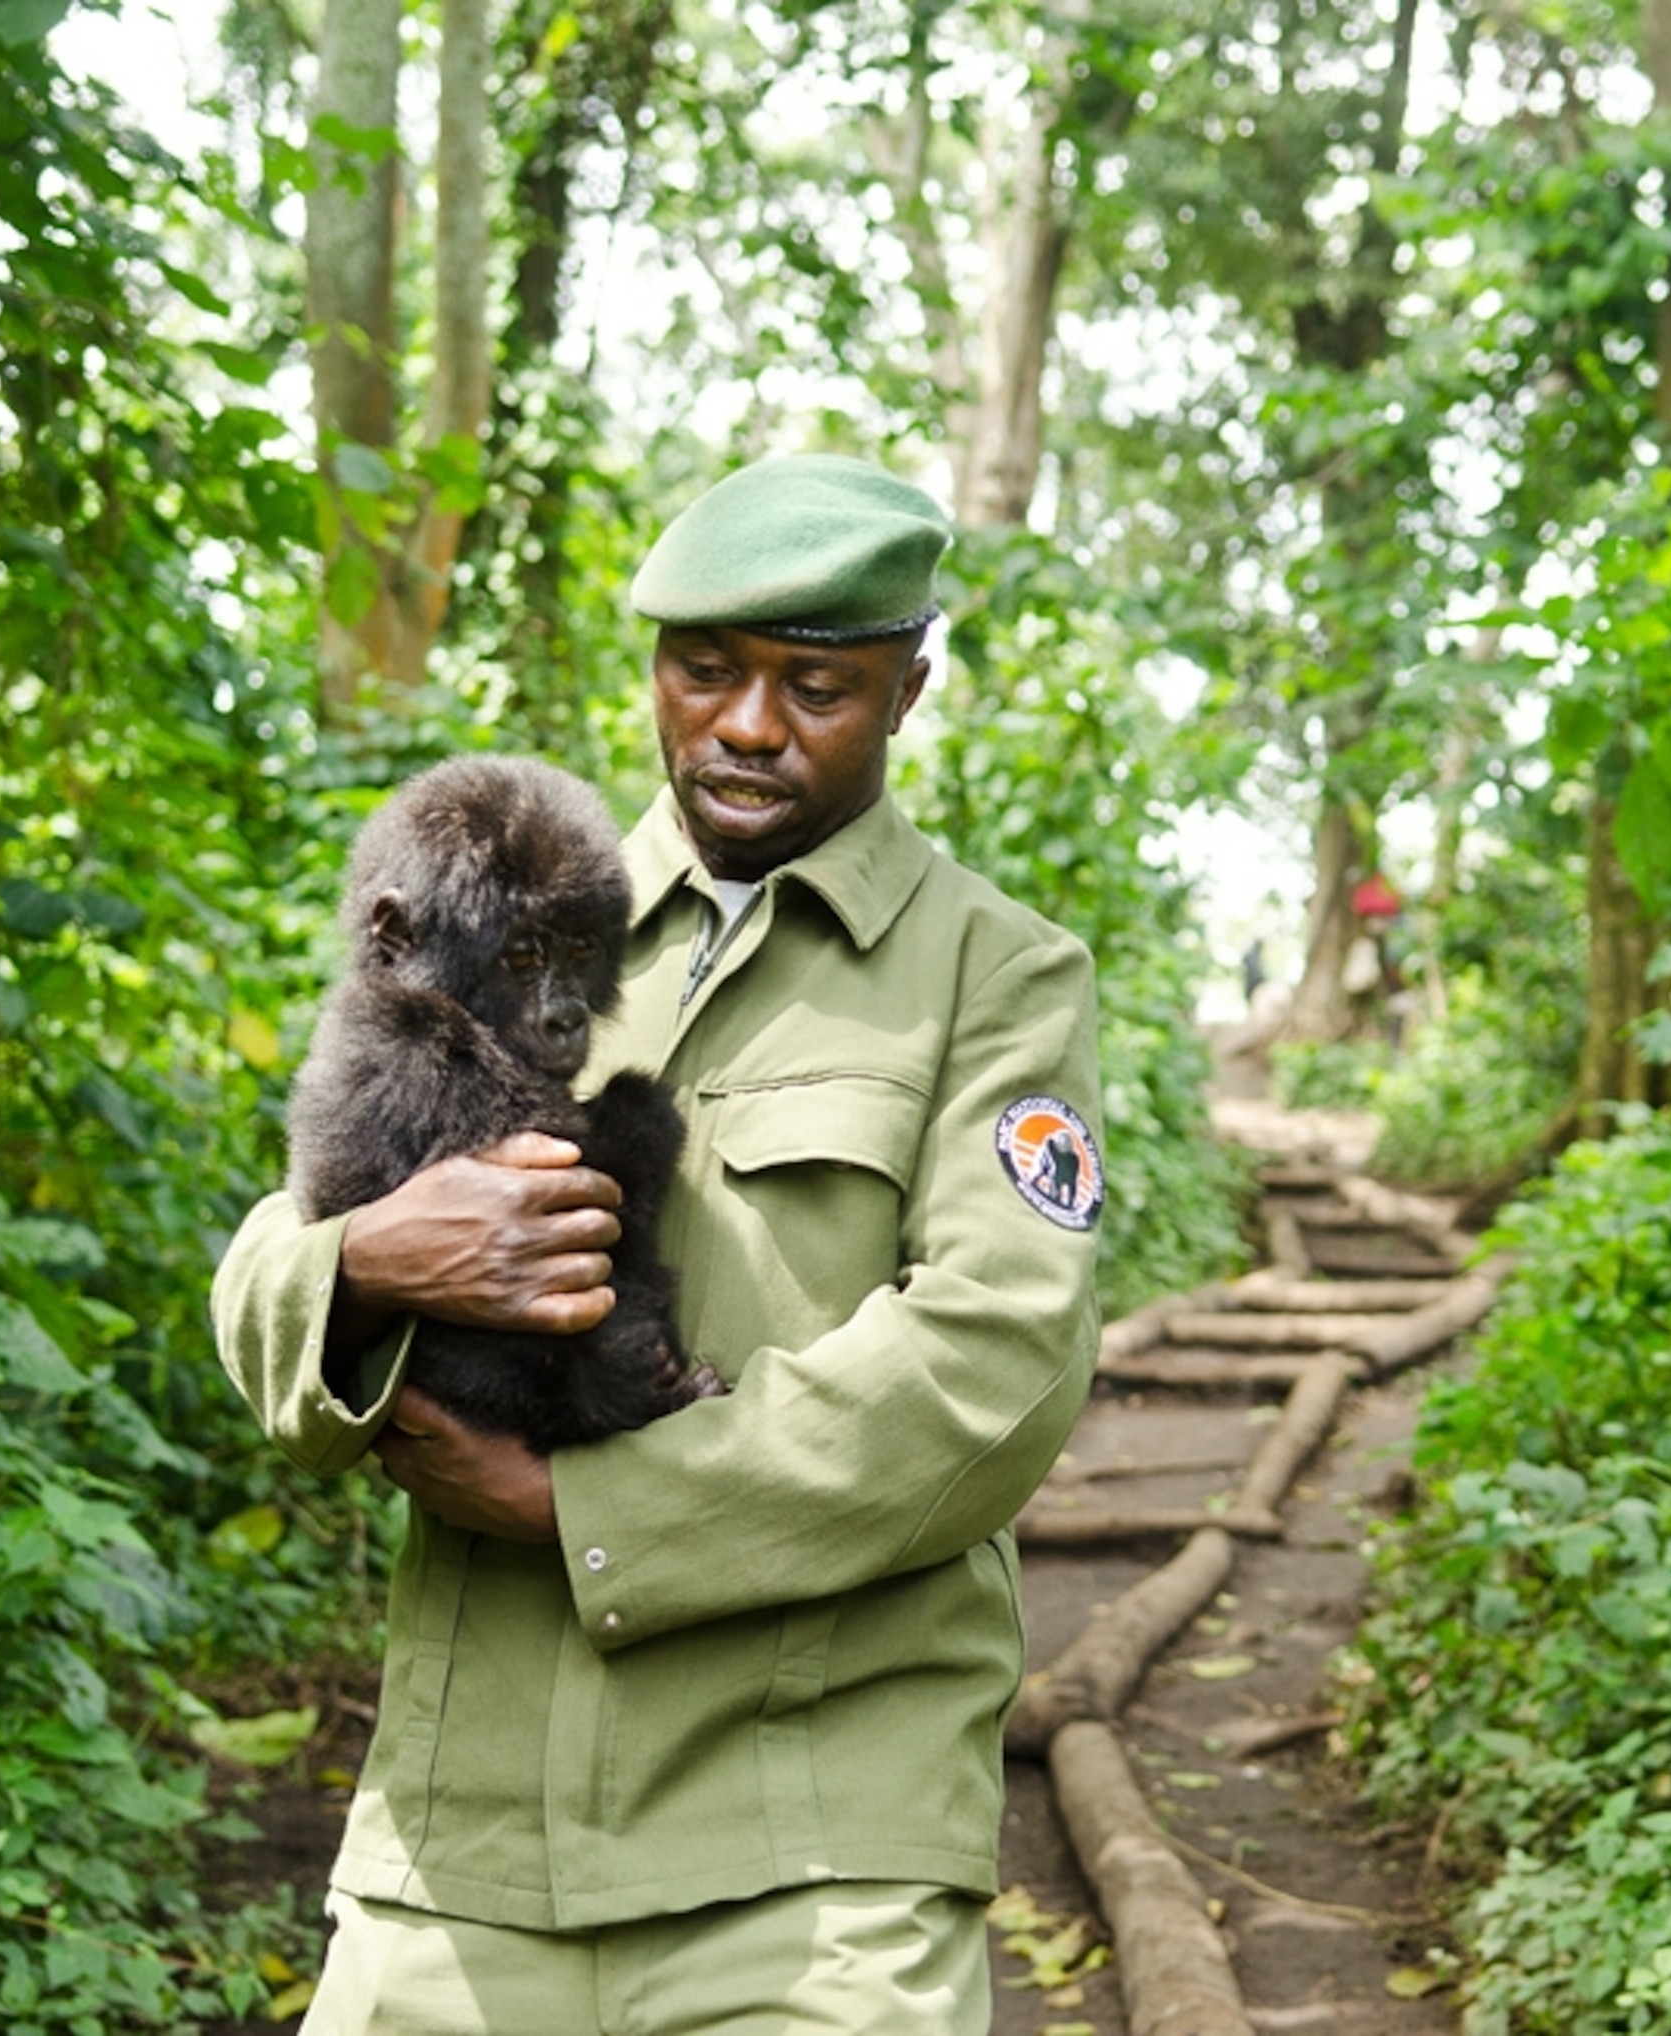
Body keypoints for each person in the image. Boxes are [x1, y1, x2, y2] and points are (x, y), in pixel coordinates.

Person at [211, 453, 1104, 2034]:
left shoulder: (998, 975)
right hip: (462, 1843)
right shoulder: (518, 889)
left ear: (910, 685)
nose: (749, 725)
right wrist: (369, 1266)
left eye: (816, 685)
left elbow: (995, 1370)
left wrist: (586, 1506)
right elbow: (278, 1250)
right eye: (706, 672)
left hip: (816, 1860)